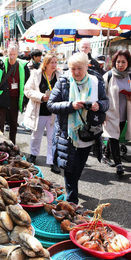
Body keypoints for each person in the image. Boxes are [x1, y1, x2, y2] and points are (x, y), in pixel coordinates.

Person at [47, 52, 109, 203]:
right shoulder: (64, 81)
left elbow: (106, 103)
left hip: (88, 133)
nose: (76, 72)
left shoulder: (95, 81)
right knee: (69, 168)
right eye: (73, 68)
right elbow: (51, 104)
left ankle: (72, 192)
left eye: (79, 68)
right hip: (68, 134)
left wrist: (98, 105)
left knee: (78, 167)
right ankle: (72, 201)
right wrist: (70, 105)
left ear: (87, 66)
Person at [102, 49, 131, 175]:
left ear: (128, 63)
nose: (120, 64)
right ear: (114, 62)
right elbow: (101, 95)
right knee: (114, 139)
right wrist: (102, 113)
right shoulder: (108, 76)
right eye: (118, 62)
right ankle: (118, 163)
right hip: (110, 113)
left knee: (114, 136)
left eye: (123, 62)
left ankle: (106, 155)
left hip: (124, 114)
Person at [23, 54, 61, 173]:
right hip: (38, 111)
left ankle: (52, 161)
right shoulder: (36, 74)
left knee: (52, 138)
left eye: (55, 62)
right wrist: (41, 97)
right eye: (52, 63)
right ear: (46, 64)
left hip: (53, 113)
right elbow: (27, 90)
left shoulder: (59, 76)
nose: (54, 65)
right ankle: (33, 155)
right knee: (36, 136)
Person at [0, 44, 30, 144]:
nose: (12, 57)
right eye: (10, 54)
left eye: (14, 54)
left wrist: (26, 101)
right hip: (1, 97)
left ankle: (12, 145)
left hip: (15, 99)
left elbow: (28, 85)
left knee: (13, 124)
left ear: (18, 54)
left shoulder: (23, 66)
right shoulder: (0, 64)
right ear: (7, 53)